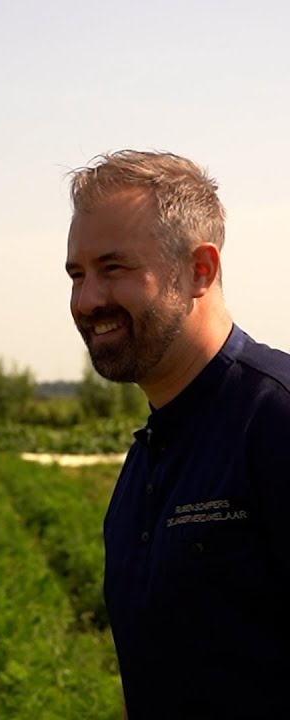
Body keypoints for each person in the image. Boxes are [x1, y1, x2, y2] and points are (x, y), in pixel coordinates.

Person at [65, 150, 290, 718]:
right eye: (77, 274)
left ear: (200, 271)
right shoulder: (148, 457)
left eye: (114, 268)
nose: (88, 300)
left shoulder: (276, 420)